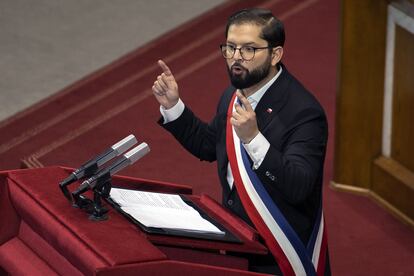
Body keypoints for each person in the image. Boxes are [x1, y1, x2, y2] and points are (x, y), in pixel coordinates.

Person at [152, 8, 330, 276]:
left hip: (281, 251)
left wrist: (253, 139)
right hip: (238, 242)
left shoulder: (304, 113)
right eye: (231, 48)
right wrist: (174, 107)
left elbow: (298, 186)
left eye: (248, 50)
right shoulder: (233, 95)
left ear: (275, 54)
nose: (236, 58)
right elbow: (209, 145)